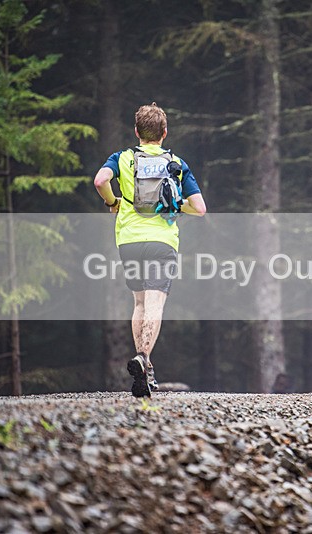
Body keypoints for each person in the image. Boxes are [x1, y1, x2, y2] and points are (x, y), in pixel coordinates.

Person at [94, 102, 206, 397]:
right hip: (162, 241)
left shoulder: (122, 158)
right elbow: (200, 208)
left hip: (129, 240)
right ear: (165, 133)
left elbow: (100, 180)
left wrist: (112, 202)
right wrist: (173, 204)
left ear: (136, 132)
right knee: (156, 302)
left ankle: (146, 369)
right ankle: (143, 357)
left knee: (139, 303)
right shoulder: (177, 164)